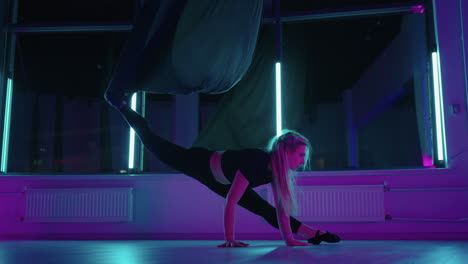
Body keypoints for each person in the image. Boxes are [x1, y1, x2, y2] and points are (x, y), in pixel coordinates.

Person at [104, 91, 341, 247]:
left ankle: (310, 233)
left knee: (264, 208)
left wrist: (289, 238)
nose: (302, 161)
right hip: (199, 164)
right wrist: (230, 239)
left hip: (222, 179)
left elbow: (279, 208)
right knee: (151, 141)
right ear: (285, 152)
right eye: (300, 155)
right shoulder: (257, 161)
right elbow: (231, 201)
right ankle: (121, 104)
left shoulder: (277, 172)